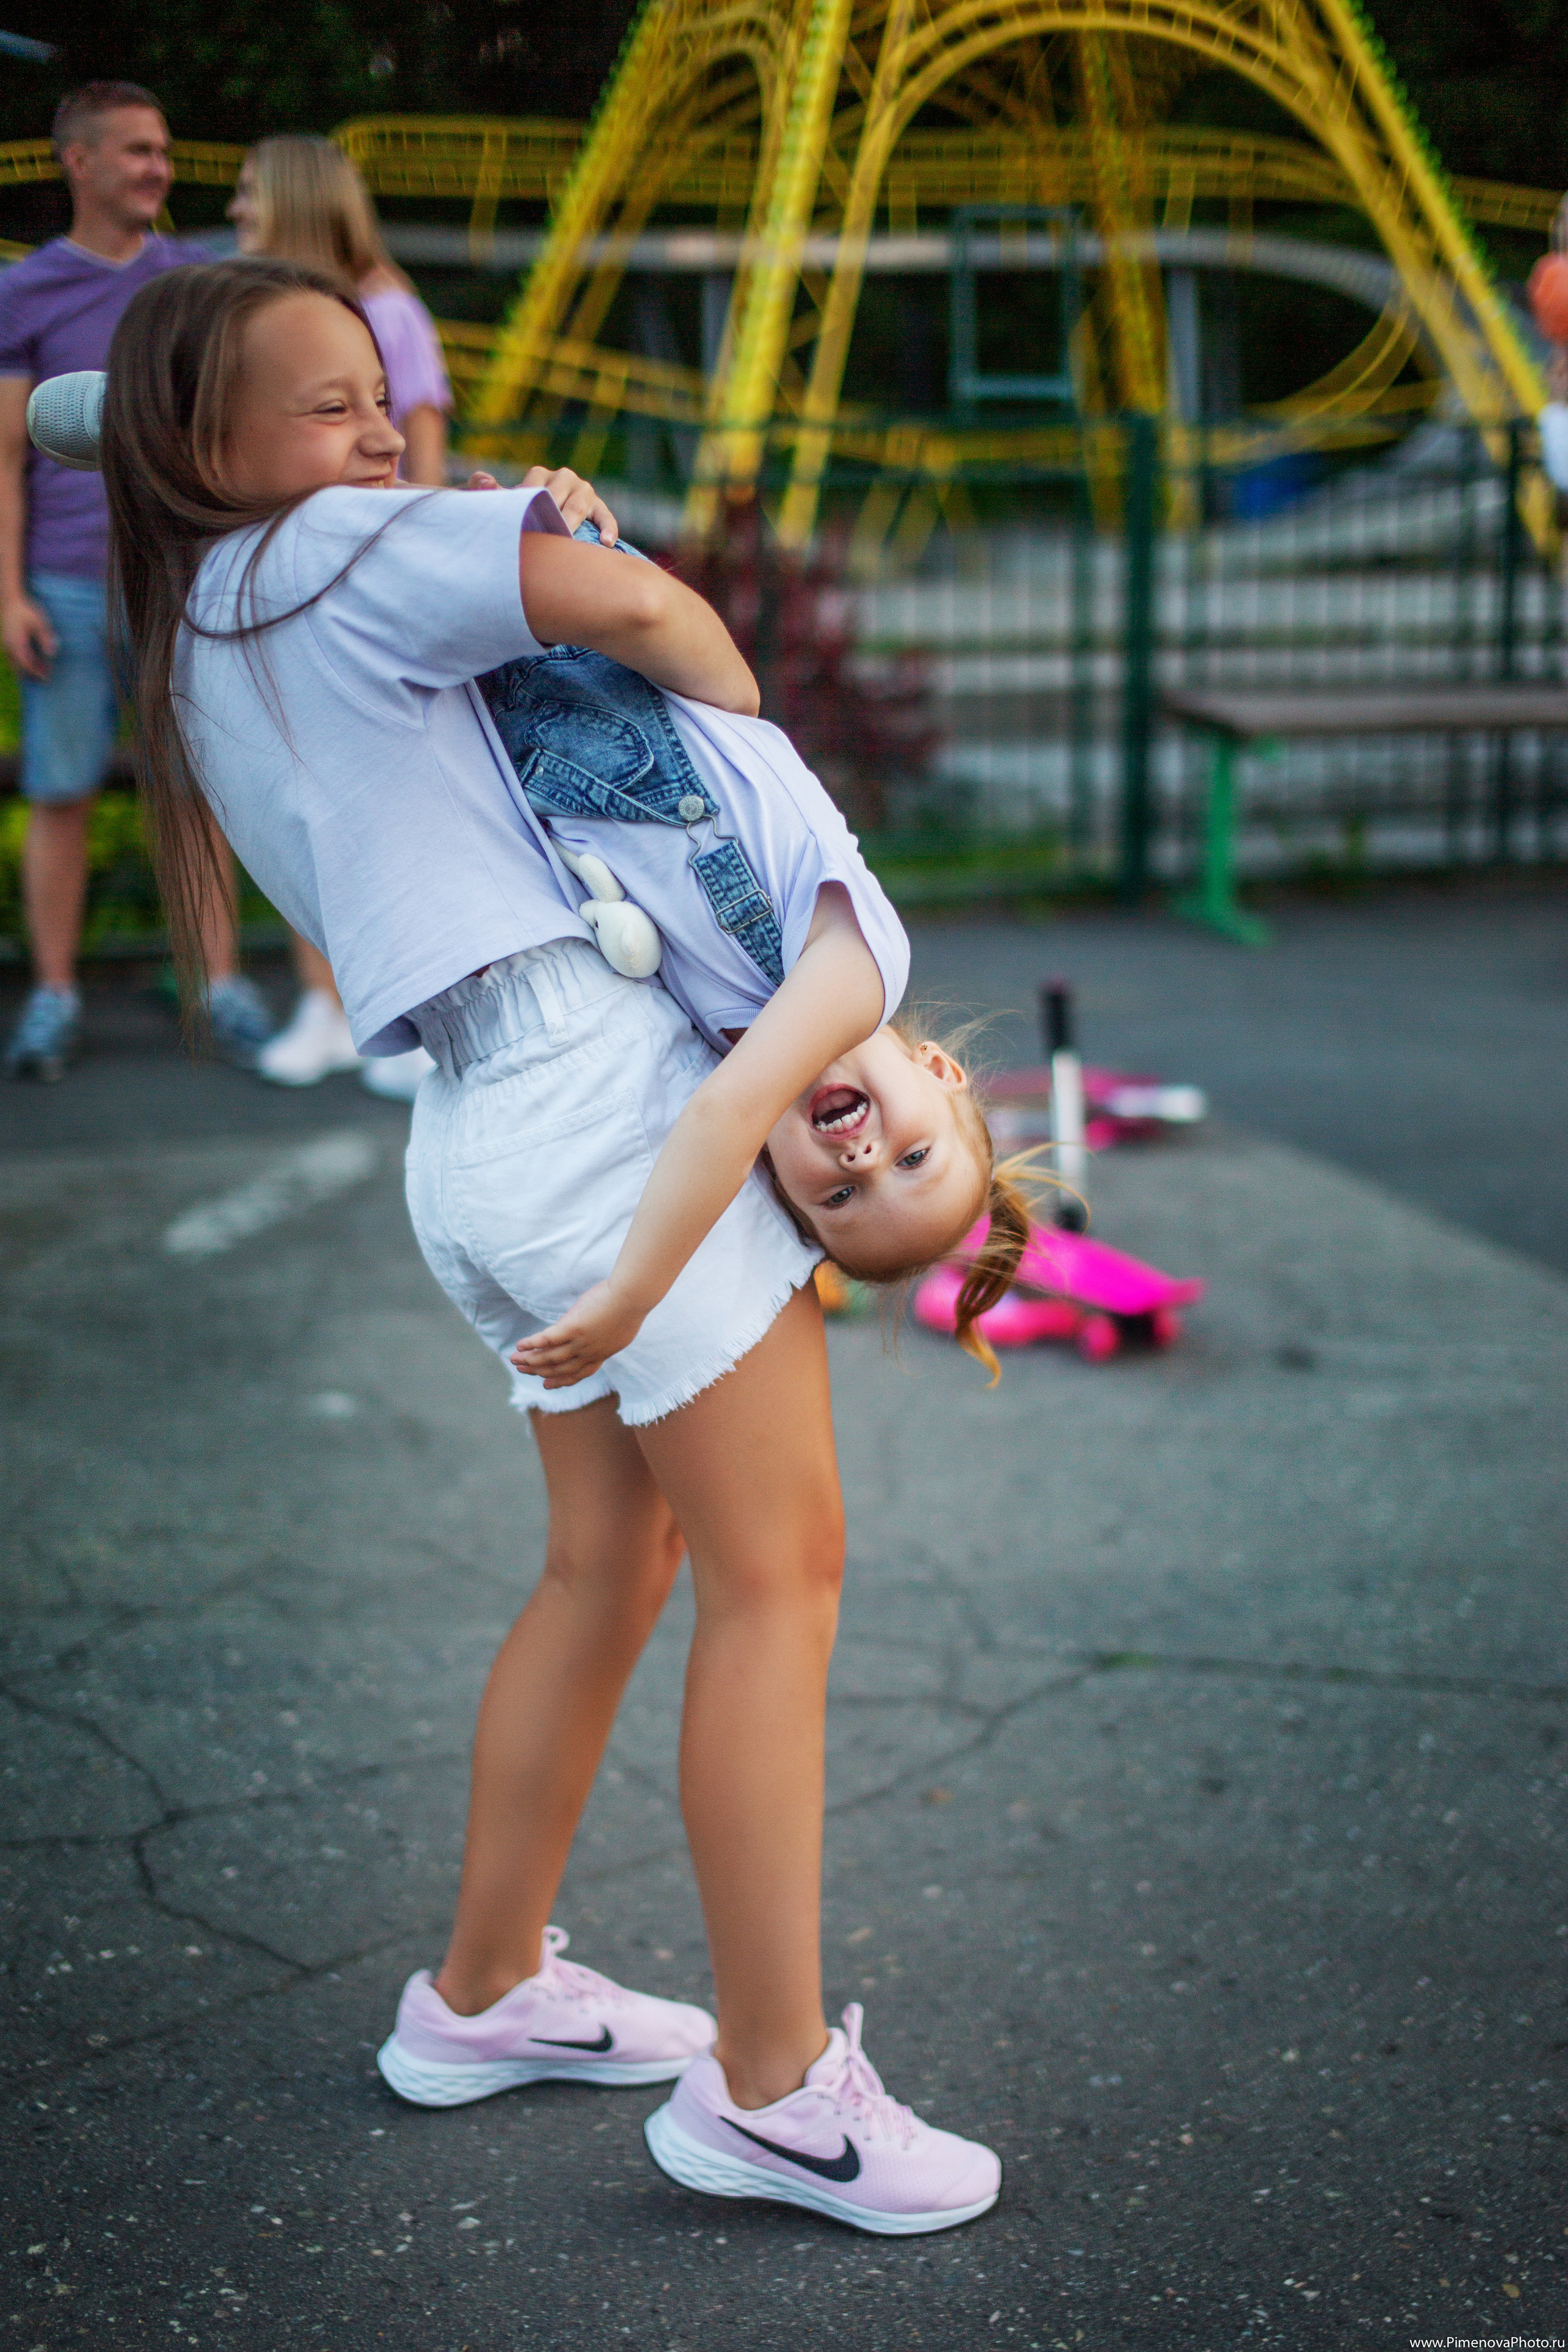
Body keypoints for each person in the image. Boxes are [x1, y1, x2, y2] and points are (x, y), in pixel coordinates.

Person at [91, 256, 1004, 2234]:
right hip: (595, 1099)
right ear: (212, 444)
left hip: (482, 1126)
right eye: (326, 401)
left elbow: (88, 410)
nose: (377, 428)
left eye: (374, 392)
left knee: (615, 1561)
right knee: (783, 1581)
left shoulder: (199, 629)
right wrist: (635, 604)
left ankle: (485, 1991)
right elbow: (659, 624)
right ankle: (778, 2096)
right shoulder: (343, 542)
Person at [0, 81, 270, 1079]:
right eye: (137, 151)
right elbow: (5, 457)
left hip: (178, 581)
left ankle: (221, 985)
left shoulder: (194, 282)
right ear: (78, 160)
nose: (159, 168)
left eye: (163, 151)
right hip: (65, 584)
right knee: (59, 791)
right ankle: (55, 1000)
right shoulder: (26, 292)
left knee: (199, 787)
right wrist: (7, 592)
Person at [228, 134, 452, 1101]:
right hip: (284, 588)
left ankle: (411, 1011)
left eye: (246, 193)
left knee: (390, 804)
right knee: (298, 799)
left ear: (288, 201)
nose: (234, 210)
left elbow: (424, 458)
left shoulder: (390, 310)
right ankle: (326, 1003)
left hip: (365, 590)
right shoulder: (260, 318)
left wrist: (411, 581)